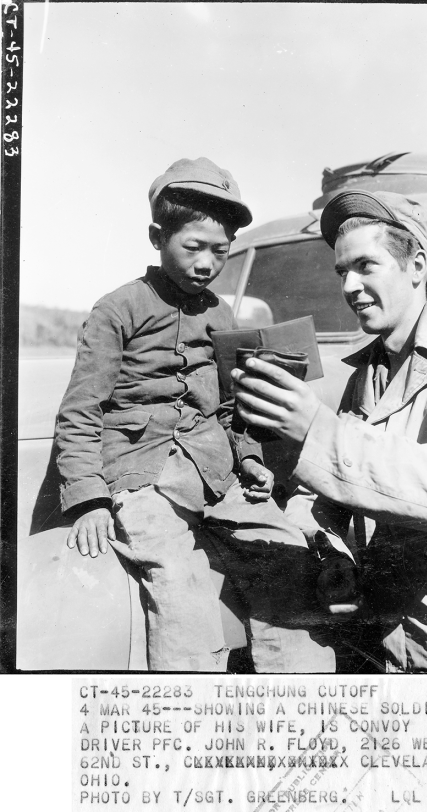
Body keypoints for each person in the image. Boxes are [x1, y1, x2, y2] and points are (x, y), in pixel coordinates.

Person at [232, 189, 427, 674]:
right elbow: (336, 492)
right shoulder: (367, 376)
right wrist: (326, 542)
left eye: (365, 266)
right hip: (387, 644)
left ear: (417, 266)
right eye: (341, 272)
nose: (349, 286)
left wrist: (317, 431)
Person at [55, 156, 335, 673]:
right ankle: (190, 711)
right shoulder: (116, 310)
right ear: (157, 237)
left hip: (215, 473)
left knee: (287, 560)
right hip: (139, 476)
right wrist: (89, 501)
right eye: (193, 247)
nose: (207, 263)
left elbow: (230, 407)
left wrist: (249, 459)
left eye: (220, 251)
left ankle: (299, 706)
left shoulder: (221, 314)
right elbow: (80, 413)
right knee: (180, 587)